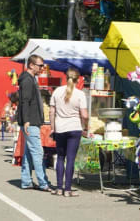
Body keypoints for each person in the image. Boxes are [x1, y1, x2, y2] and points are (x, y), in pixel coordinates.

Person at [49, 68, 88, 197]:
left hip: (60, 128)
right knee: (70, 159)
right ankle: (68, 189)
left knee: (60, 157)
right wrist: (85, 127)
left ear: (65, 77)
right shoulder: (80, 94)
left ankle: (59, 188)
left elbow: (52, 112)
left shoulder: (57, 91)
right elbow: (84, 115)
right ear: (78, 79)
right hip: (74, 128)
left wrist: (53, 128)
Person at [17, 54, 50, 191]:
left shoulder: (30, 79)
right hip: (30, 122)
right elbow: (25, 101)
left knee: (29, 153)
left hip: (32, 121)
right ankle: (43, 183)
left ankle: (26, 181)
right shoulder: (27, 80)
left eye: (43, 65)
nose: (42, 68)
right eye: (40, 65)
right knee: (37, 152)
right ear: (31, 65)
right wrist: (26, 121)